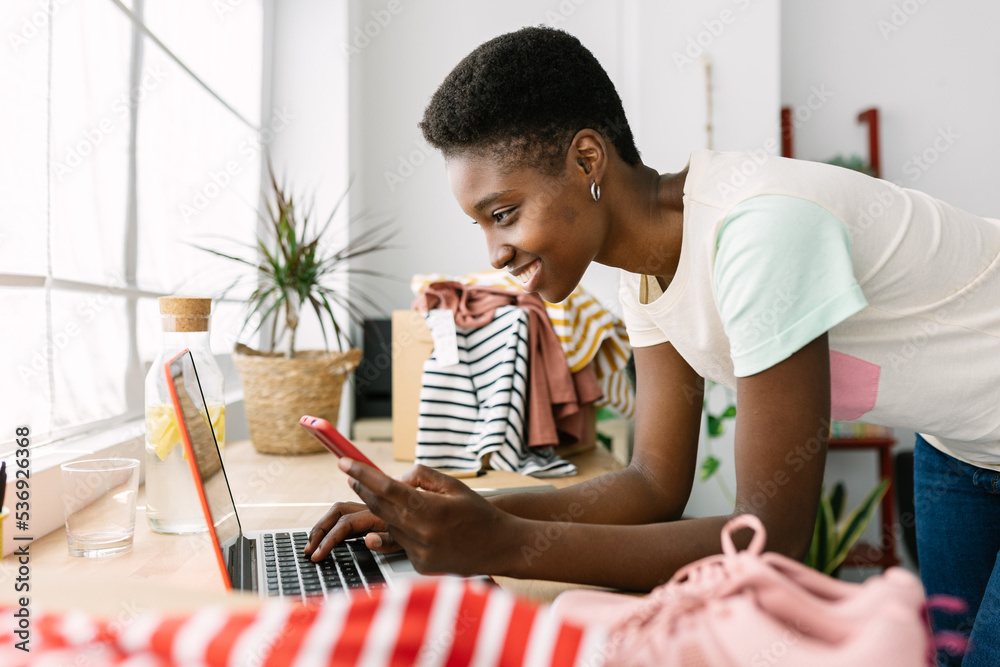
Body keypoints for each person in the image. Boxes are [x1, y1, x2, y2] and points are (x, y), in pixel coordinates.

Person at [305, 26, 1000, 666]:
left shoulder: (758, 232)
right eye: (482, 224)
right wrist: (462, 514)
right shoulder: (647, 276)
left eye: (504, 213)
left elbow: (770, 538)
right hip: (962, 445)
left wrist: (503, 544)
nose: (495, 253)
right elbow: (653, 484)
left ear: (586, 159)